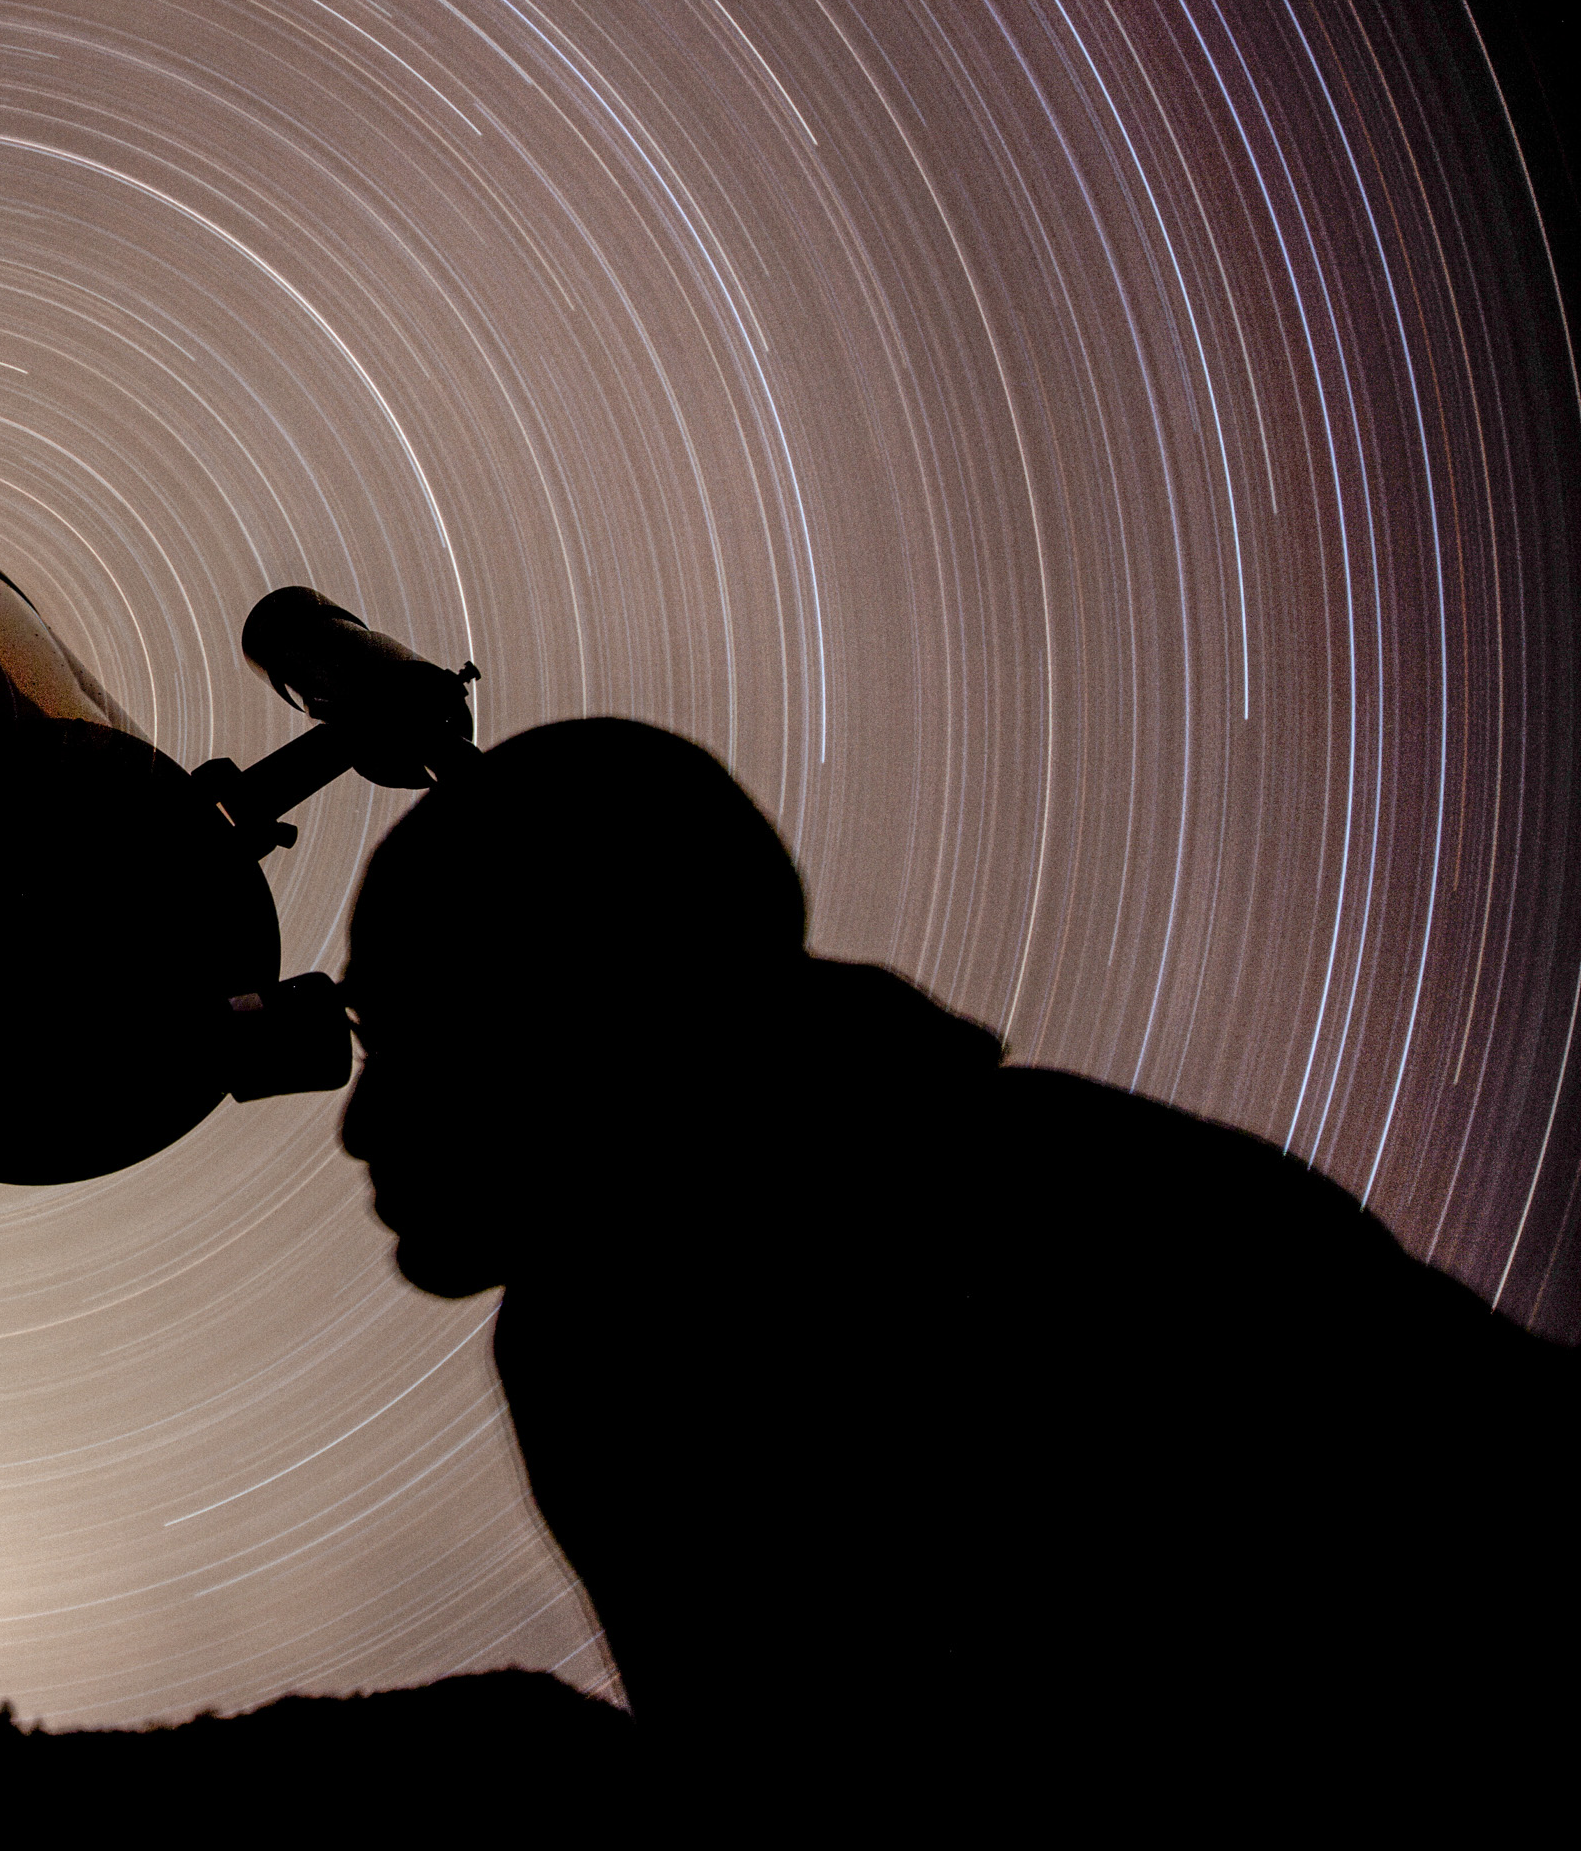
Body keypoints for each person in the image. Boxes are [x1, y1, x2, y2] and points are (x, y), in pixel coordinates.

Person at [337, 717, 1577, 1838]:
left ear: (587, 1027)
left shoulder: (651, 1322)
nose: (359, 1123)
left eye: (414, 1042)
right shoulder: (1051, 1173)